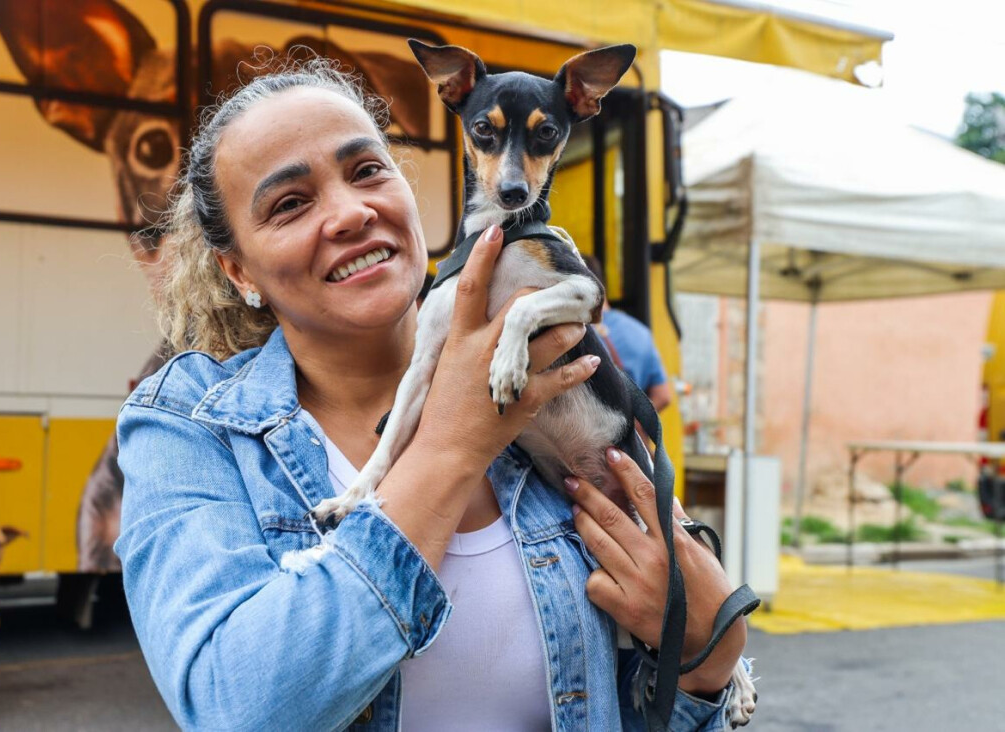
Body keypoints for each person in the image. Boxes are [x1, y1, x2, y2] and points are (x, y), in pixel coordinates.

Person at [114, 58, 747, 731]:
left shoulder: (544, 373)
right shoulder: (187, 424)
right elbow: (238, 710)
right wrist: (449, 443)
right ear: (238, 270)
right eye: (290, 204)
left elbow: (633, 706)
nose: (351, 212)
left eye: (367, 171)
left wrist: (705, 665)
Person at [583, 255, 674, 412]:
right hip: (625, 421)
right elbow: (663, 395)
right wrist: (634, 422)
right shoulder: (641, 333)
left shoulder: (575, 333)